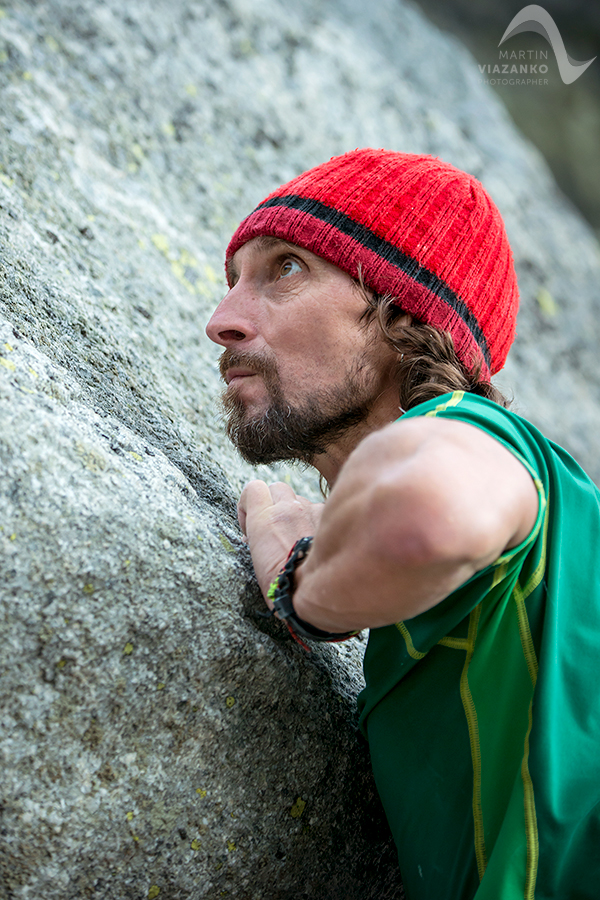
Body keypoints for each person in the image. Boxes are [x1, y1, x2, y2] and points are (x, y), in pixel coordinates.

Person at [205, 148, 600, 900]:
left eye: (286, 268)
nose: (222, 322)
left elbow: (426, 516)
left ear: (402, 312)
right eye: (232, 283)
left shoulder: (477, 433)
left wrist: (301, 577)